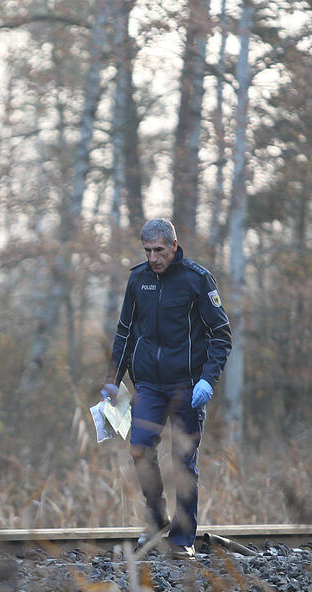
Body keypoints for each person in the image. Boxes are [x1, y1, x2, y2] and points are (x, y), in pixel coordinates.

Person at [102, 218, 231, 558]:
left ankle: (182, 539)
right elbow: (125, 333)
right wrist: (112, 381)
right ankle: (157, 520)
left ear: (174, 246)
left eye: (159, 250)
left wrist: (208, 379)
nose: (153, 258)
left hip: (188, 387)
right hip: (148, 387)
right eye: (147, 251)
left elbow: (221, 335)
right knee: (140, 450)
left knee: (183, 462)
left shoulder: (197, 280)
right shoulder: (138, 280)